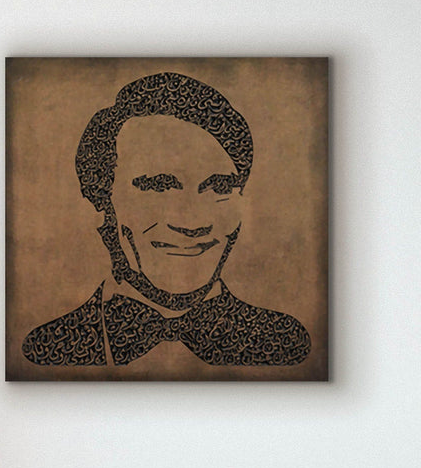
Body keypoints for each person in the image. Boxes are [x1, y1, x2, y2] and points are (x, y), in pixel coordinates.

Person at [22, 72, 311, 370]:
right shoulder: (46, 352)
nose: (192, 222)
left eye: (220, 187)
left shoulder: (284, 345)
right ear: (102, 203)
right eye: (158, 187)